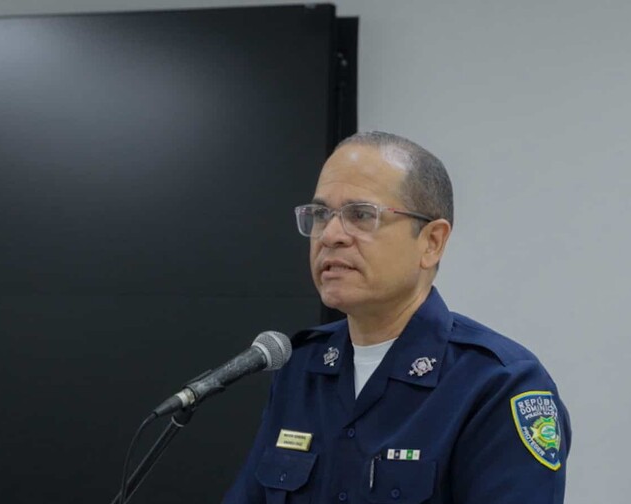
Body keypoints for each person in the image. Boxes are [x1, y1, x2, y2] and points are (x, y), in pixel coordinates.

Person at [223, 132, 570, 503]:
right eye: (321, 215)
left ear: (432, 242)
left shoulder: (498, 384)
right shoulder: (300, 368)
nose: (331, 235)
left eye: (360, 215)